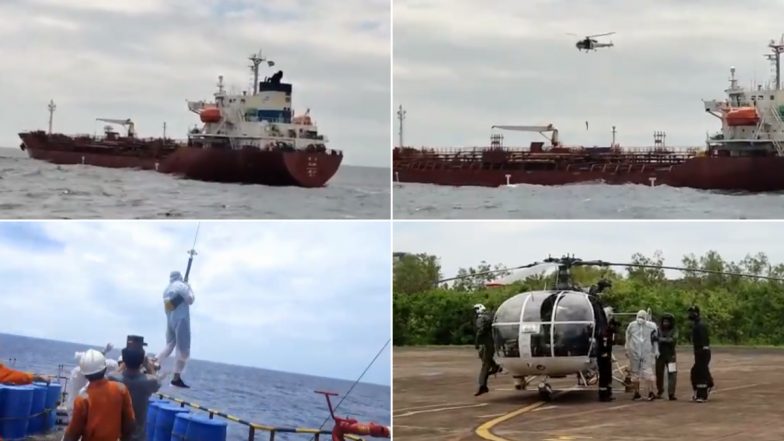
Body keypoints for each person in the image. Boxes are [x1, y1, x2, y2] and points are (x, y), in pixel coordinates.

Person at [64, 349, 135, 441]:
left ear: (85, 375)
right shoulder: (121, 389)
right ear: (105, 369)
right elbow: (130, 424)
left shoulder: (82, 399)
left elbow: (73, 433)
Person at [110, 336, 161, 441]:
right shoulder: (149, 382)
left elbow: (114, 373)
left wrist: (125, 361)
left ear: (124, 359)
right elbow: (157, 380)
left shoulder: (113, 379)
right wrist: (148, 365)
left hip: (117, 436)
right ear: (142, 360)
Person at [157, 270, 195, 388]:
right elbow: (190, 300)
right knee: (183, 349)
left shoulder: (166, 290)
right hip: (181, 319)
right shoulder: (182, 286)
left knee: (169, 345)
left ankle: (153, 364)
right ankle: (176, 377)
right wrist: (189, 287)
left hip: (170, 321)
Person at [625, 310, 658, 401]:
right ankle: (636, 392)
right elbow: (627, 337)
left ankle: (651, 392)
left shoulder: (651, 326)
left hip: (646, 352)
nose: (640, 319)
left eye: (642, 317)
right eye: (639, 317)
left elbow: (655, 339)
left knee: (648, 372)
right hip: (634, 352)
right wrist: (627, 349)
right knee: (635, 372)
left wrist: (656, 350)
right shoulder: (632, 325)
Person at [473, 303, 500, 396]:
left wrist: (477, 343)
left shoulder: (481, 319)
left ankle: (482, 386)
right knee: (483, 357)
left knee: (485, 364)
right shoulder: (489, 316)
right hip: (489, 344)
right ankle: (495, 367)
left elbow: (480, 331)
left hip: (487, 344)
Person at [688, 305, 713, 402]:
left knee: (700, 373)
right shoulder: (696, 324)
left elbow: (704, 340)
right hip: (699, 352)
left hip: (703, 352)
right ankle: (709, 383)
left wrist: (702, 351)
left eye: (691, 312)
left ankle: (701, 395)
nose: (690, 314)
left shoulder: (700, 325)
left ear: (696, 313)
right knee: (696, 371)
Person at [656, 313, 678, 400]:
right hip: (660, 355)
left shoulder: (674, 330)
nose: (665, 323)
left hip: (671, 355)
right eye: (664, 321)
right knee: (659, 373)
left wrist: (660, 339)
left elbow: (673, 340)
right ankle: (660, 391)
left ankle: (671, 393)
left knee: (672, 374)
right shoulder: (658, 329)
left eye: (667, 322)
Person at [597, 315, 619, 402]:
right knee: (604, 376)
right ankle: (602, 395)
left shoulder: (609, 334)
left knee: (608, 376)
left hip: (607, 357)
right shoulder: (605, 333)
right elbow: (603, 347)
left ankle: (608, 393)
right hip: (603, 358)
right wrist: (605, 355)